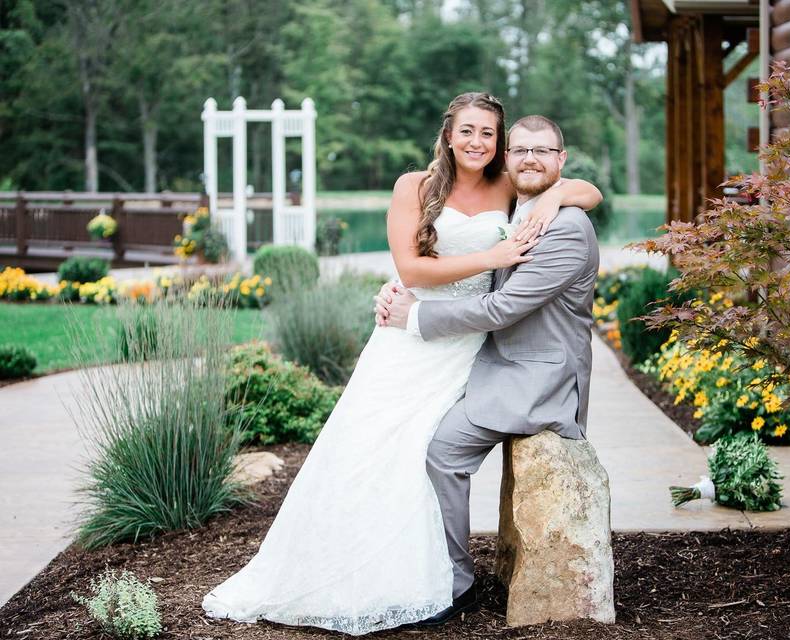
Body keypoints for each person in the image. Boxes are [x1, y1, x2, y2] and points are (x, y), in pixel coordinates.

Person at [200, 92, 601, 636]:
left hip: (466, 344)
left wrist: (556, 200)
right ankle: (352, 565)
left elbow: (582, 188)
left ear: (500, 145)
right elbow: (411, 270)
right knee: (371, 449)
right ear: (449, 134)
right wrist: (489, 259)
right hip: (413, 334)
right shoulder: (414, 186)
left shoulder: (512, 184)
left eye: (489, 134)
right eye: (468, 131)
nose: (478, 143)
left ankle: (433, 571)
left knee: (422, 453)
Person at [376, 113, 600, 626]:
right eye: (520, 149)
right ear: (507, 157)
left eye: (543, 151)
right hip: (493, 360)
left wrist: (418, 317)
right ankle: (422, 563)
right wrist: (408, 291)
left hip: (537, 377)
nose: (530, 159)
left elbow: (501, 309)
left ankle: (456, 583)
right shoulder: (522, 205)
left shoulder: (565, 228)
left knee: (443, 450)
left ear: (560, 160)